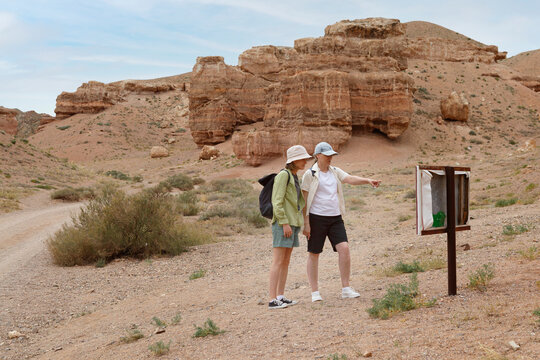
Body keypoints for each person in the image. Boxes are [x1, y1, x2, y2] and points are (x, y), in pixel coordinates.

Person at [301, 142, 380, 302]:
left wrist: (367, 180)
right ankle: (315, 292)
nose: (330, 158)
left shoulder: (335, 172)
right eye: (327, 155)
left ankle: (346, 288)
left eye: (332, 155)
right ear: (318, 156)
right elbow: (304, 201)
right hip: (316, 218)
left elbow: (349, 178)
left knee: (344, 249)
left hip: (335, 218)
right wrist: (306, 223)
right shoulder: (310, 175)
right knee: (314, 253)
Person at [268, 145, 312, 309]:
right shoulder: (283, 176)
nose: (305, 162)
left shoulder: (293, 177)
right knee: (278, 261)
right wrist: (284, 223)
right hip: (283, 224)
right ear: (293, 161)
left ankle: (280, 296)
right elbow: (277, 202)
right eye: (302, 159)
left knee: (285, 261)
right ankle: (272, 299)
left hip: (292, 224)